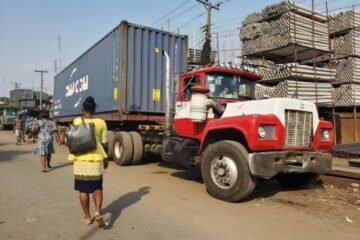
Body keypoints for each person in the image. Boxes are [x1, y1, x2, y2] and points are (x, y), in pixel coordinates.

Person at [68, 96, 109, 227]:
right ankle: (97, 211)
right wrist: (105, 159)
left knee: (83, 190)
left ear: (83, 109)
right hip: (96, 160)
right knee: (97, 187)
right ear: (94, 109)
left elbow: (73, 139)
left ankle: (86, 216)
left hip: (80, 160)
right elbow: (104, 143)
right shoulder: (101, 123)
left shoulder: (76, 121)